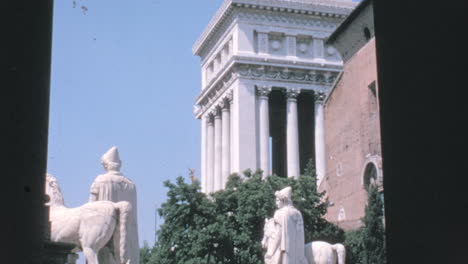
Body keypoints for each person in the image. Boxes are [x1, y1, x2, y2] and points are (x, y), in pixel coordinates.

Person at [89, 146, 139, 264]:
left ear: (105, 165)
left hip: (106, 236)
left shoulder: (100, 181)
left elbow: (89, 211)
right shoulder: (131, 184)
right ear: (119, 163)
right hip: (128, 240)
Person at [266, 186, 307, 264]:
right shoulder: (298, 213)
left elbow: (278, 235)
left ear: (283, 200)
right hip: (298, 252)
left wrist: (271, 251)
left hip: (286, 251)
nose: (276, 202)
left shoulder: (280, 213)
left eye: (278, 200)